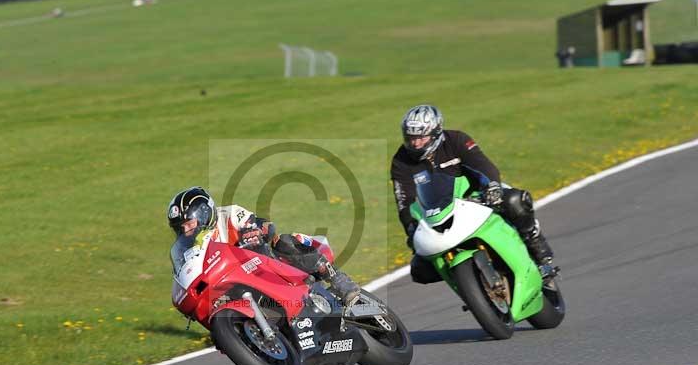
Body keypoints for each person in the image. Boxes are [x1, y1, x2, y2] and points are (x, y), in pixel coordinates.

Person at [390, 104, 558, 285]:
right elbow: (404, 200)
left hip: (476, 195)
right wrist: (410, 226)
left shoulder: (456, 140)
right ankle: (468, 284)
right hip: (437, 212)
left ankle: (538, 252)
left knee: (515, 200)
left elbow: (483, 165)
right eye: (411, 138)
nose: (415, 143)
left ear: (436, 132)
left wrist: (492, 187)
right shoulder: (401, 161)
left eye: (421, 138)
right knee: (420, 270)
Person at [166, 186, 360, 305]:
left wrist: (254, 231)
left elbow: (266, 225)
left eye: (188, 224)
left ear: (203, 214)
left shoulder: (229, 215)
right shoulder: (188, 249)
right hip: (236, 285)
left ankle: (338, 280)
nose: (186, 231)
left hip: (265, 266)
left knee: (284, 241)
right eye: (180, 228)